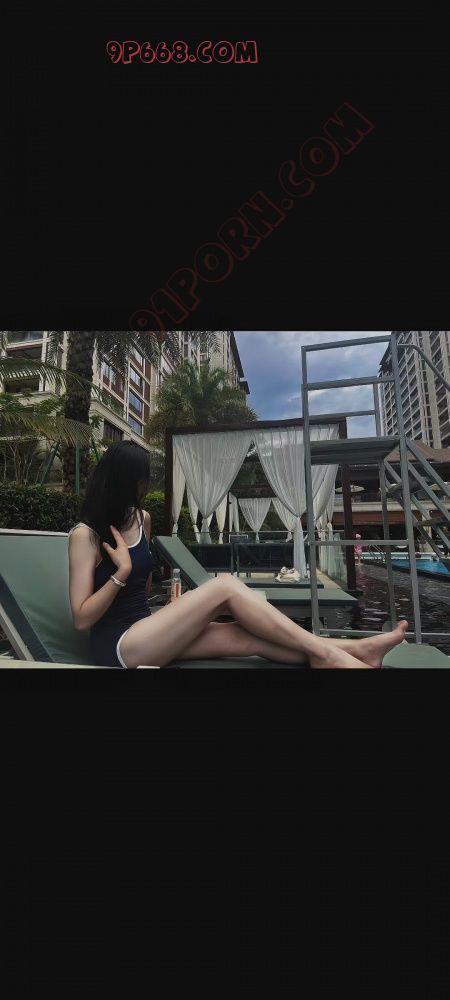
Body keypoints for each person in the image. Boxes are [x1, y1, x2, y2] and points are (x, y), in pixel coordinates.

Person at [68, 441, 408, 669]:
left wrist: (176, 610)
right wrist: (120, 573)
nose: (146, 485)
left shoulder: (141, 519)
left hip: (147, 628)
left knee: (244, 637)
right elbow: (82, 619)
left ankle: (357, 650)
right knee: (225, 586)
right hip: (118, 645)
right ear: (123, 481)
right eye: (142, 479)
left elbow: (141, 595)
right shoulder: (86, 535)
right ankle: (328, 656)